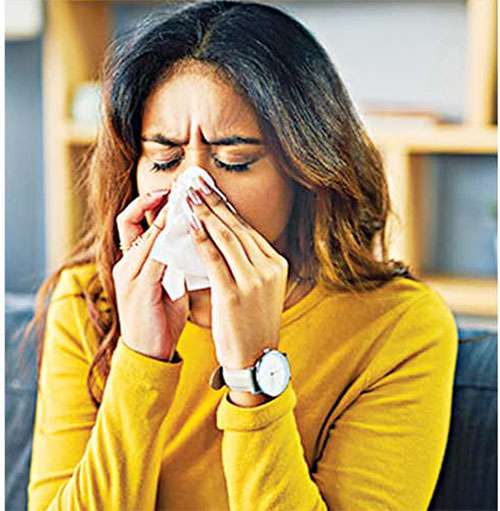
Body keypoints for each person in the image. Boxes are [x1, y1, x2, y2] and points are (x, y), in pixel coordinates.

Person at [26, 1, 458, 510]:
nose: (192, 190)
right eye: (165, 158)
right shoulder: (89, 299)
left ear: (306, 171)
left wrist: (254, 373)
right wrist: (141, 359)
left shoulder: (399, 326)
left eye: (234, 160)